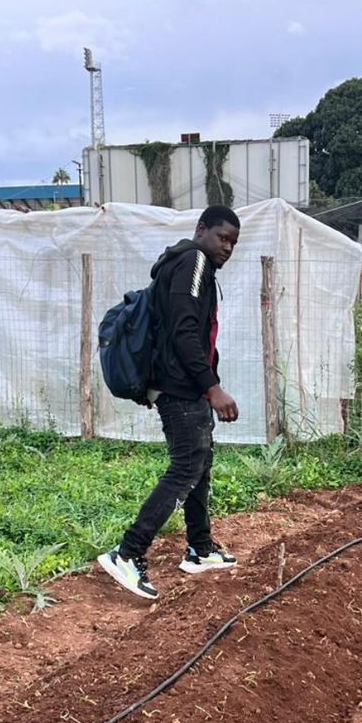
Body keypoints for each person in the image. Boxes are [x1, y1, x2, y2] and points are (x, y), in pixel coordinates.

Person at [99, 205, 243, 599]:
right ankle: (127, 554)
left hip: (181, 385)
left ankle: (200, 548)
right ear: (201, 230)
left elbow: (180, 330)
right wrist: (212, 388)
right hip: (181, 389)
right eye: (222, 237)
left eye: (233, 241)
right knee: (186, 467)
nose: (227, 247)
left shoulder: (186, 264)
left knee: (200, 462)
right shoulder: (194, 261)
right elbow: (184, 330)